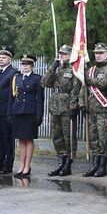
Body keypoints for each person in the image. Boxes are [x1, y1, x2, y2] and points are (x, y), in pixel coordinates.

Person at [43, 45, 82, 177]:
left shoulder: (74, 69)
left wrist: (73, 105)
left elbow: (76, 89)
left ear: (71, 55)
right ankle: (60, 161)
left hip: (67, 107)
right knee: (57, 136)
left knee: (68, 137)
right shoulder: (57, 68)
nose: (61, 56)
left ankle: (68, 164)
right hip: (55, 106)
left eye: (64, 54)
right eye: (60, 53)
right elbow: (45, 83)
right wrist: (52, 67)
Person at [7, 55, 44, 178]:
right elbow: (11, 98)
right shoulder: (16, 78)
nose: (25, 66)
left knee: (28, 139)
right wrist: (9, 113)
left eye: (27, 64)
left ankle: (27, 166)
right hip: (17, 112)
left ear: (32, 66)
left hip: (30, 112)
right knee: (20, 139)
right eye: (23, 64)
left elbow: (40, 98)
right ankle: (21, 165)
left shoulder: (37, 78)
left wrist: (39, 114)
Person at [84, 42, 107, 177]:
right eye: (96, 53)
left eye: (101, 53)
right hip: (92, 109)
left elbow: (104, 83)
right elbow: (83, 89)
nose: (98, 56)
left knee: (104, 139)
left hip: (104, 109)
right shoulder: (92, 70)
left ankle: (102, 166)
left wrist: (88, 80)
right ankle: (95, 165)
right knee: (94, 139)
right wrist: (82, 104)